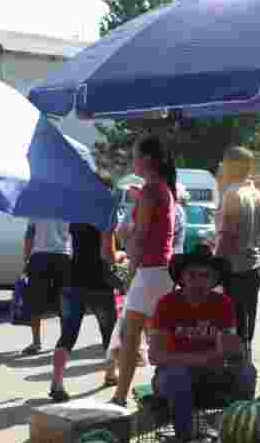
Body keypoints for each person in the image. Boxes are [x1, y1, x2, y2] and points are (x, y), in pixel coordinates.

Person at [151, 245, 257, 442]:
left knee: (247, 372)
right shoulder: (167, 303)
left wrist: (236, 350)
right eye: (192, 275)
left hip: (212, 373)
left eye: (205, 276)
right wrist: (200, 359)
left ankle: (240, 438)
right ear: (182, 278)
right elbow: (155, 356)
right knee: (177, 376)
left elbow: (232, 351)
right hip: (172, 377)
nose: (198, 282)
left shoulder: (223, 303)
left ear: (214, 279)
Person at [110, 135, 177, 407]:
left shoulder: (152, 190)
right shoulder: (162, 188)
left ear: (148, 160)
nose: (132, 159)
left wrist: (130, 269)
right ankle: (168, 389)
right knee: (155, 335)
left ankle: (120, 397)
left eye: (135, 154)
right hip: (161, 270)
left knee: (130, 335)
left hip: (150, 270)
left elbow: (141, 235)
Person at [48, 218, 123, 402]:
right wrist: (121, 255)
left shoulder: (76, 213)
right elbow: (108, 254)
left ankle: (56, 383)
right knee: (110, 334)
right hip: (99, 283)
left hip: (72, 279)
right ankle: (110, 375)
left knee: (67, 334)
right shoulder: (106, 212)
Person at [215, 146, 260, 358]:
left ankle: (236, 372)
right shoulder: (259, 195)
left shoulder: (232, 195)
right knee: (248, 324)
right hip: (253, 268)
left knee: (232, 324)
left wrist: (215, 265)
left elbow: (227, 236)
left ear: (231, 166)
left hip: (233, 269)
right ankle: (246, 365)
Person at [21, 219, 72, 355]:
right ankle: (64, 342)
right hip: (63, 257)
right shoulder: (69, 204)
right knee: (64, 302)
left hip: (39, 257)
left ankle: (36, 342)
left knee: (35, 300)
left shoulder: (37, 203)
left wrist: (26, 259)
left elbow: (30, 233)